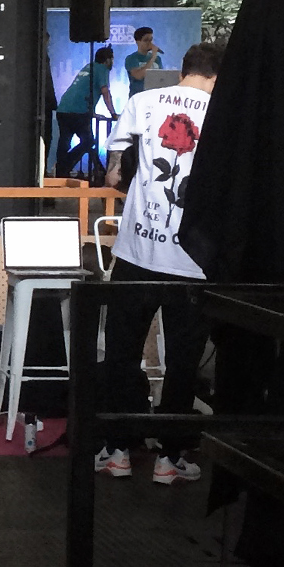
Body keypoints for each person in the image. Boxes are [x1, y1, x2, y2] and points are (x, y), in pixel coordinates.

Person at [94, 40, 221, 485]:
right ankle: (170, 458)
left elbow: (114, 171)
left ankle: (118, 450)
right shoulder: (223, 113)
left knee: (123, 352)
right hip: (192, 260)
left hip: (137, 254)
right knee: (183, 360)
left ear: (184, 69)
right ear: (217, 76)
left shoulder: (142, 102)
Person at [53, 50, 118, 180]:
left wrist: (91, 112)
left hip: (64, 109)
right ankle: (64, 166)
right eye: (112, 59)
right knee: (88, 141)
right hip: (78, 112)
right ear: (107, 60)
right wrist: (113, 113)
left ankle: (60, 173)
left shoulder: (89, 67)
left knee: (64, 142)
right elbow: (105, 92)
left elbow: (81, 90)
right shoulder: (102, 69)